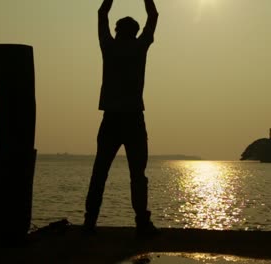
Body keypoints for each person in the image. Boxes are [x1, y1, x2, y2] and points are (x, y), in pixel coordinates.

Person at [83, 0, 159, 237]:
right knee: (137, 174)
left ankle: (89, 223)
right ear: (135, 33)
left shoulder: (109, 47)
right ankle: (142, 223)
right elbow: (153, 14)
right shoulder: (139, 48)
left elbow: (102, 12)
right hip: (133, 119)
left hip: (112, 119)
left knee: (100, 172)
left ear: (117, 32)